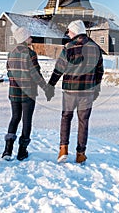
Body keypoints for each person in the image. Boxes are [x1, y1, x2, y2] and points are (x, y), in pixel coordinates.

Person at [46, 20, 104, 164]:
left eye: (69, 31)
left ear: (76, 31)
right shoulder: (95, 48)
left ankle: (63, 149)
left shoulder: (69, 47)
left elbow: (59, 68)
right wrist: (95, 87)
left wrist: (51, 84)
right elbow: (99, 71)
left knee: (66, 117)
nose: (68, 34)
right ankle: (80, 154)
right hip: (87, 91)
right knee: (83, 121)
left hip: (70, 90)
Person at [2, 26, 50, 161]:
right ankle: (22, 151)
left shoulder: (11, 53)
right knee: (26, 121)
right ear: (24, 39)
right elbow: (36, 74)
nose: (31, 38)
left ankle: (7, 150)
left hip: (14, 92)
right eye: (29, 36)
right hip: (28, 93)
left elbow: (9, 72)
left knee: (15, 117)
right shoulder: (30, 54)